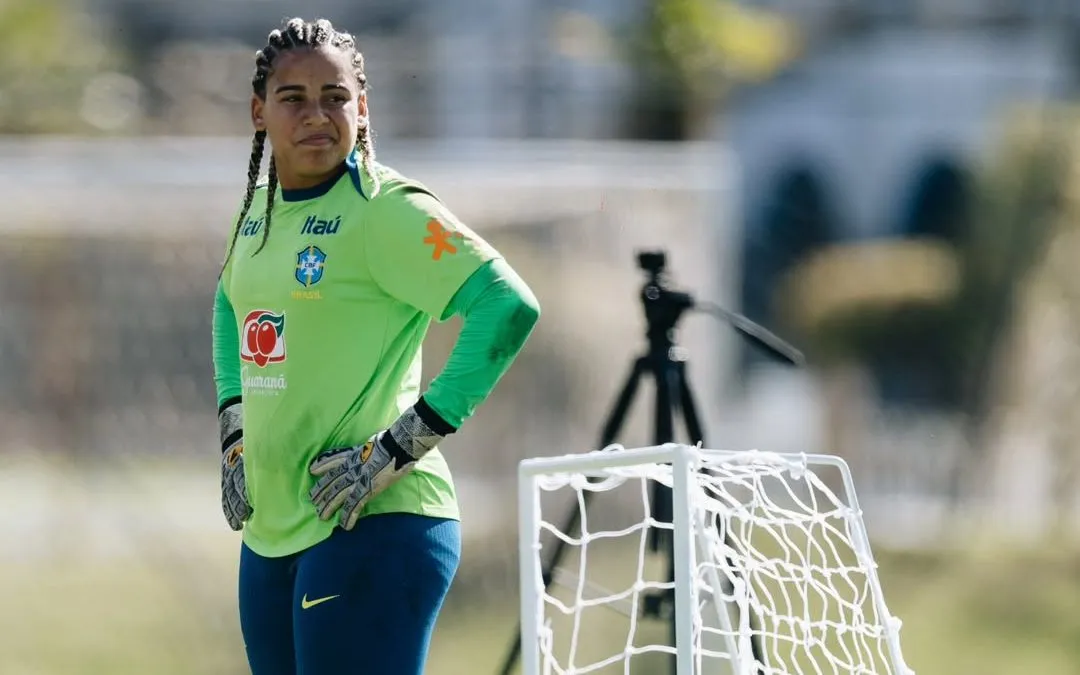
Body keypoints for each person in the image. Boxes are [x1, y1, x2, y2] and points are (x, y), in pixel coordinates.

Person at [211, 16, 540, 675]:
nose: (317, 114)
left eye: (335, 96)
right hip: (271, 532)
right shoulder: (257, 212)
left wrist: (398, 447)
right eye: (293, 98)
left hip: (375, 522)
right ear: (258, 112)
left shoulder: (389, 210)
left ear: (361, 108)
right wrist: (234, 433)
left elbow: (507, 306)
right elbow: (228, 303)